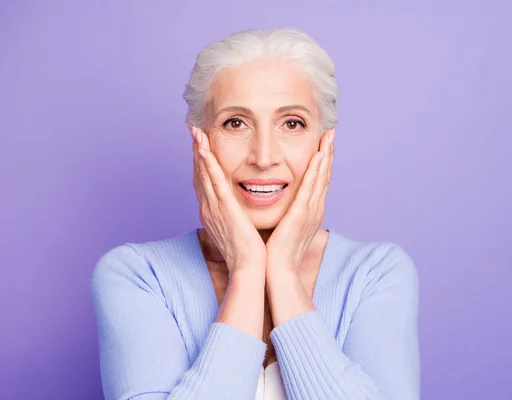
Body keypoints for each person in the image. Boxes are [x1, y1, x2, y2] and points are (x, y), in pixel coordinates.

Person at [91, 28, 420, 400]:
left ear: (323, 143)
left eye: (292, 123)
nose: (263, 157)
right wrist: (248, 270)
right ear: (200, 141)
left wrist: (280, 270)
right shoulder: (136, 275)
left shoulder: (376, 273)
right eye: (235, 123)